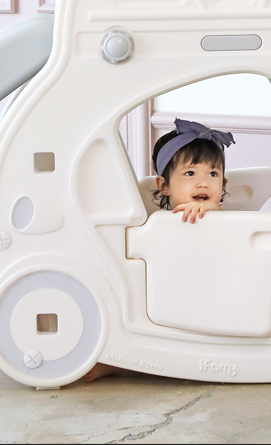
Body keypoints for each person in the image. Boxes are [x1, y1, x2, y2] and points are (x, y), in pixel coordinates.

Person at [84, 118, 235, 382]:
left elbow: (232, 235)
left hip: (207, 299)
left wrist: (212, 209)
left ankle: (126, 362)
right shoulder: (157, 222)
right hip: (166, 294)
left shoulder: (217, 216)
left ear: (223, 184)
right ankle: (118, 359)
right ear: (163, 185)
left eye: (213, 174)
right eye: (190, 173)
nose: (203, 183)